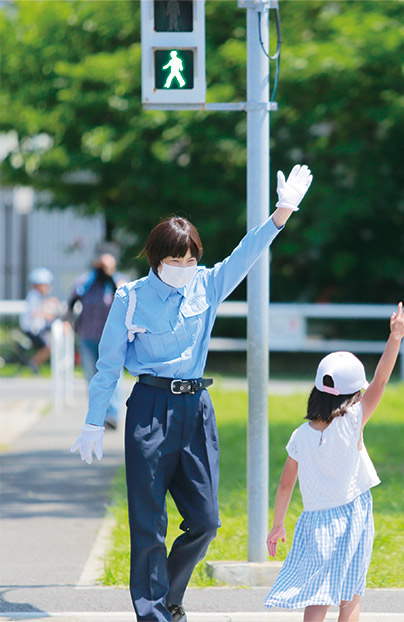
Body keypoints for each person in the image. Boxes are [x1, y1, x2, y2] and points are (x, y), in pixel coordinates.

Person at [70, 164, 313, 622]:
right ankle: (154, 613)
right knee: (148, 522)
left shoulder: (208, 284)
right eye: (174, 261)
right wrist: (92, 420)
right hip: (149, 408)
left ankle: (169, 595)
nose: (184, 269)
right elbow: (107, 364)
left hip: (196, 408)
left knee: (205, 521)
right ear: (155, 259)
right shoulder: (131, 297)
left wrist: (282, 212)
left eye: (190, 260)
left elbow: (246, 253)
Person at [264, 302, 404, 622]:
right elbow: (381, 381)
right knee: (350, 594)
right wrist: (395, 339)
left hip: (314, 522)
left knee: (317, 594)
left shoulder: (300, 436)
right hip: (354, 514)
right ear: (355, 394)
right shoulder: (353, 421)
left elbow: (284, 485)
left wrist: (278, 524)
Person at [68, 251, 127, 429]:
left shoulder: (119, 280)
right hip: (88, 336)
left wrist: (109, 276)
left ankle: (112, 415)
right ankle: (97, 414)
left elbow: (124, 298)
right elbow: (72, 300)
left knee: (113, 376)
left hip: (112, 340)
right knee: (92, 377)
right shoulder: (86, 281)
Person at [19, 267, 59, 373]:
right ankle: (33, 363)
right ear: (39, 285)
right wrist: (48, 314)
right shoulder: (33, 295)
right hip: (33, 329)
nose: (48, 287)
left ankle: (34, 362)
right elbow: (35, 311)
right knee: (48, 348)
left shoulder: (36, 296)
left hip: (36, 327)